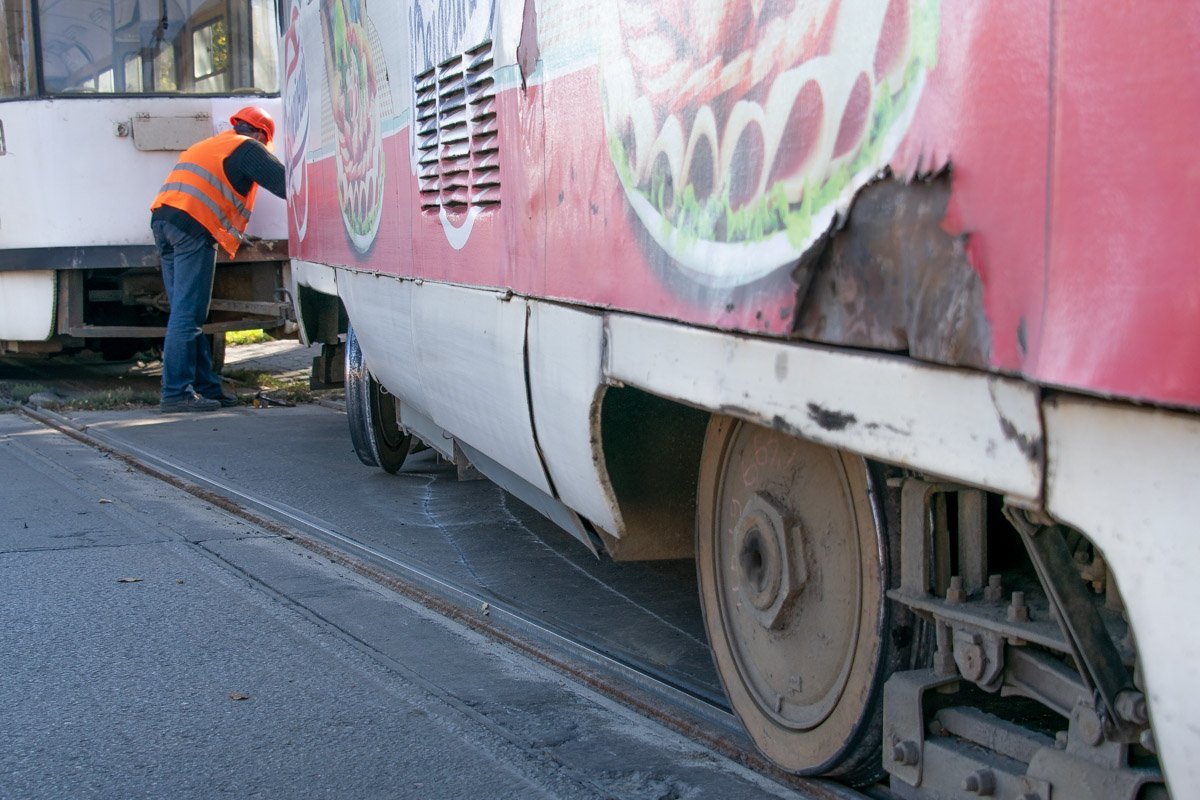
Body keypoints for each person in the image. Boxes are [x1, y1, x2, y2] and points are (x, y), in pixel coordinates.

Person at [150, 106, 286, 412]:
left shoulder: (210, 145)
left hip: (163, 223)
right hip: (191, 229)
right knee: (188, 315)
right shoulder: (248, 147)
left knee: (184, 311)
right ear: (260, 134)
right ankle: (175, 393)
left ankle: (205, 387)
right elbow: (287, 184)